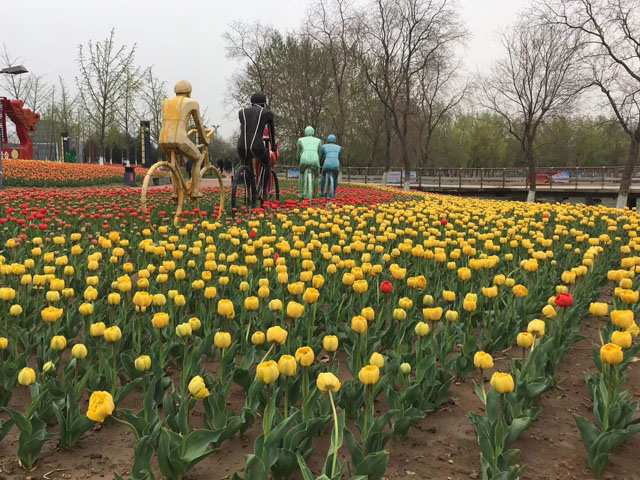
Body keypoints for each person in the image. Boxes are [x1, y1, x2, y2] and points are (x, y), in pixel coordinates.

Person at [159, 80, 210, 200]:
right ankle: (195, 191)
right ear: (189, 92)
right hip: (180, 139)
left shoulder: (165, 103)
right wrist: (206, 140)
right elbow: (199, 125)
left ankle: (175, 192)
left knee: (174, 164)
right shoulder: (192, 103)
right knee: (197, 158)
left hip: (163, 139)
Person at [237, 92, 276, 200]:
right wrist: (273, 146)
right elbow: (272, 133)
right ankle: (263, 192)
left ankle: (247, 194)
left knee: (246, 166)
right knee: (266, 164)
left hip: (242, 145)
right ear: (264, 103)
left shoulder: (242, 112)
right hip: (256, 145)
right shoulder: (267, 113)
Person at [296, 126, 322, 199]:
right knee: (316, 176)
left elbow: (298, 153)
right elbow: (320, 153)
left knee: (301, 173)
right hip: (315, 159)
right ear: (313, 132)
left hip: (304, 159)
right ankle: (315, 195)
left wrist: (298, 158)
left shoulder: (300, 140)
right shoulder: (319, 140)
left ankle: (301, 193)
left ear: (305, 132)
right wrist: (318, 160)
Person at [320, 134, 342, 199]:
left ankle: (321, 192)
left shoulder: (324, 146)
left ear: (328, 140)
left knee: (323, 174)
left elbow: (321, 156)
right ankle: (334, 192)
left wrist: (320, 161)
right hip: (336, 165)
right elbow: (339, 157)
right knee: (335, 177)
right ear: (335, 140)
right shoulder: (339, 147)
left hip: (327, 165)